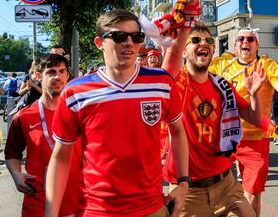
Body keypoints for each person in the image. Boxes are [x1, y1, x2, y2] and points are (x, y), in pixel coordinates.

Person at [45, 12, 191, 215]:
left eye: (137, 37)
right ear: (99, 43)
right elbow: (60, 157)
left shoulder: (161, 83)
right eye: (119, 37)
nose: (129, 43)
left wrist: (183, 182)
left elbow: (178, 132)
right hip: (97, 210)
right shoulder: (75, 92)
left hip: (151, 208)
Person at [163, 23, 264, 217]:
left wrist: (254, 95)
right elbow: (167, 68)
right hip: (188, 191)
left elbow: (253, 117)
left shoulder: (222, 86)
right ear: (183, 52)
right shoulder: (175, 84)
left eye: (208, 40)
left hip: (226, 186)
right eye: (195, 40)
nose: (204, 43)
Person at [208, 27, 278, 216]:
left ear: (257, 45)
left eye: (251, 39)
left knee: (252, 194)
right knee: (215, 192)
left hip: (256, 139)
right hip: (223, 137)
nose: (246, 41)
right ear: (235, 45)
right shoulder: (222, 63)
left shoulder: (266, 65)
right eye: (241, 39)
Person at [4, 54, 81, 217]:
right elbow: (12, 154)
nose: (57, 76)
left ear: (67, 75)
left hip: (79, 201)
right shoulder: (23, 116)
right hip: (38, 201)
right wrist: (17, 176)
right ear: (38, 76)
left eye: (62, 71)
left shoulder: (80, 113)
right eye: (51, 72)